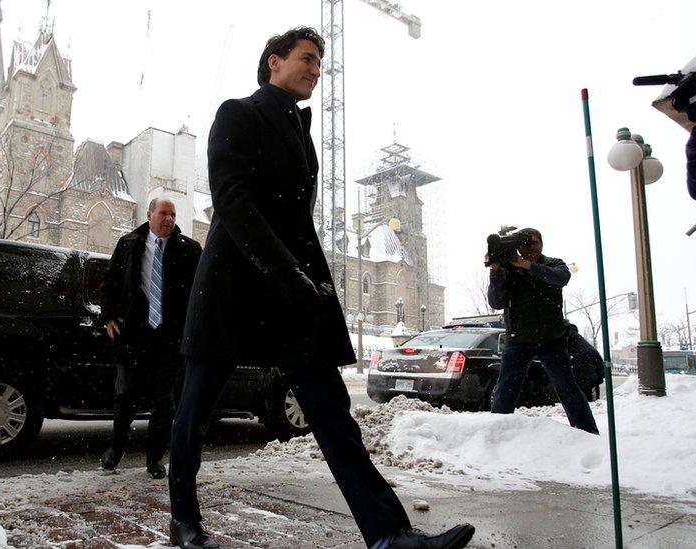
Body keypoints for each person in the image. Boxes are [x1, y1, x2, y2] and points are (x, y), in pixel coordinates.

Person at [166, 27, 475, 549]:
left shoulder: (301, 133)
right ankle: (184, 520)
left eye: (320, 62)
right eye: (307, 58)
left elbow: (296, 221)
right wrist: (287, 272)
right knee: (195, 410)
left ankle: (389, 534)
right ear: (273, 63)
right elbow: (233, 200)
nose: (316, 69)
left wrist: (309, 283)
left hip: (291, 295)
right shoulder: (238, 112)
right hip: (235, 288)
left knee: (332, 413)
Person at [99, 197, 202, 480]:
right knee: (125, 398)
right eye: (163, 213)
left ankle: (154, 458)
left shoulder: (189, 250)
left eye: (173, 214)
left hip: (169, 339)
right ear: (150, 214)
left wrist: (192, 331)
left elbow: (198, 294)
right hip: (133, 334)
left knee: (163, 402)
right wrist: (109, 315)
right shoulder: (128, 244)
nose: (169, 219)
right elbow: (110, 282)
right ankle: (115, 450)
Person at [487, 227, 599, 434]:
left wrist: (528, 266)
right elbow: (496, 301)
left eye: (534, 242)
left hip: (551, 339)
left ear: (542, 244)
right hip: (519, 340)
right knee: (505, 391)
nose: (529, 247)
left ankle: (588, 434)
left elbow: (561, 278)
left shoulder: (553, 264)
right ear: (517, 246)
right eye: (524, 243)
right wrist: (496, 270)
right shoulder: (508, 269)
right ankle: (496, 437)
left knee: (568, 388)